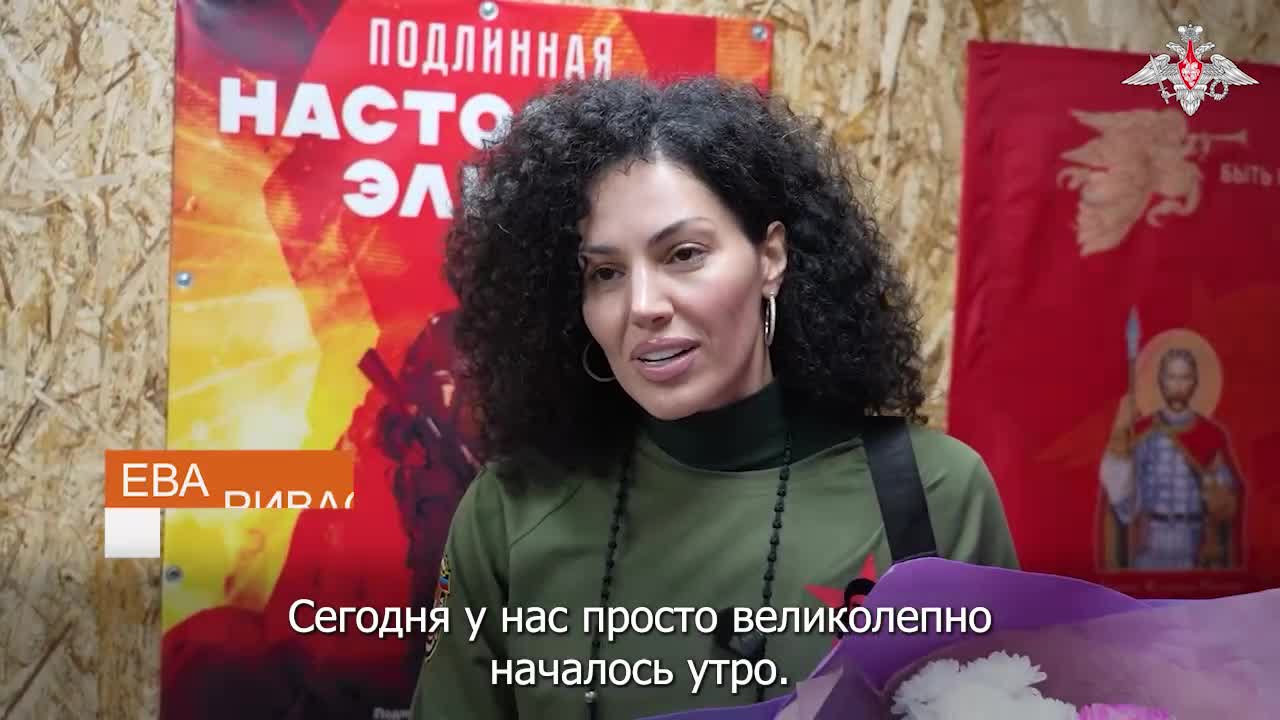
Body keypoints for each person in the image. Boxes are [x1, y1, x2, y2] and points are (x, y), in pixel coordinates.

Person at [409, 75, 1018, 720]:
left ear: (770, 258)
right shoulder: (512, 508)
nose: (643, 306)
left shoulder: (932, 492)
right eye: (606, 273)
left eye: (684, 254)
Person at [1098, 346, 1244, 570]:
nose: (1177, 385)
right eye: (1171, 377)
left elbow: (1226, 505)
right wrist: (1119, 433)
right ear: (1161, 381)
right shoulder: (1141, 434)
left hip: (1194, 545)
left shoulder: (1210, 435)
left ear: (1195, 382)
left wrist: (1217, 492)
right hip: (1150, 544)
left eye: (1184, 377)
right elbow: (1122, 502)